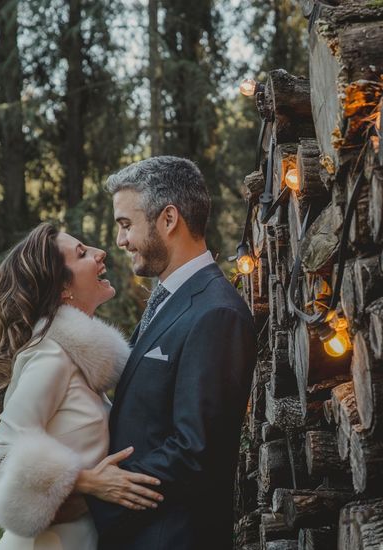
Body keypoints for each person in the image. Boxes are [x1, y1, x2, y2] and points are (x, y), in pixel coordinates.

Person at [86, 156, 256, 549]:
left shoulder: (216, 311)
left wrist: (104, 496)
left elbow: (195, 449)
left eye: (126, 225)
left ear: (168, 219)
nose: (120, 241)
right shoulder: (170, 297)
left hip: (170, 536)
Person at [0, 223, 165, 550]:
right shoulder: (51, 355)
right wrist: (88, 481)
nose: (100, 253)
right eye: (82, 253)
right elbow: (2, 457)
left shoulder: (78, 361)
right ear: (63, 287)